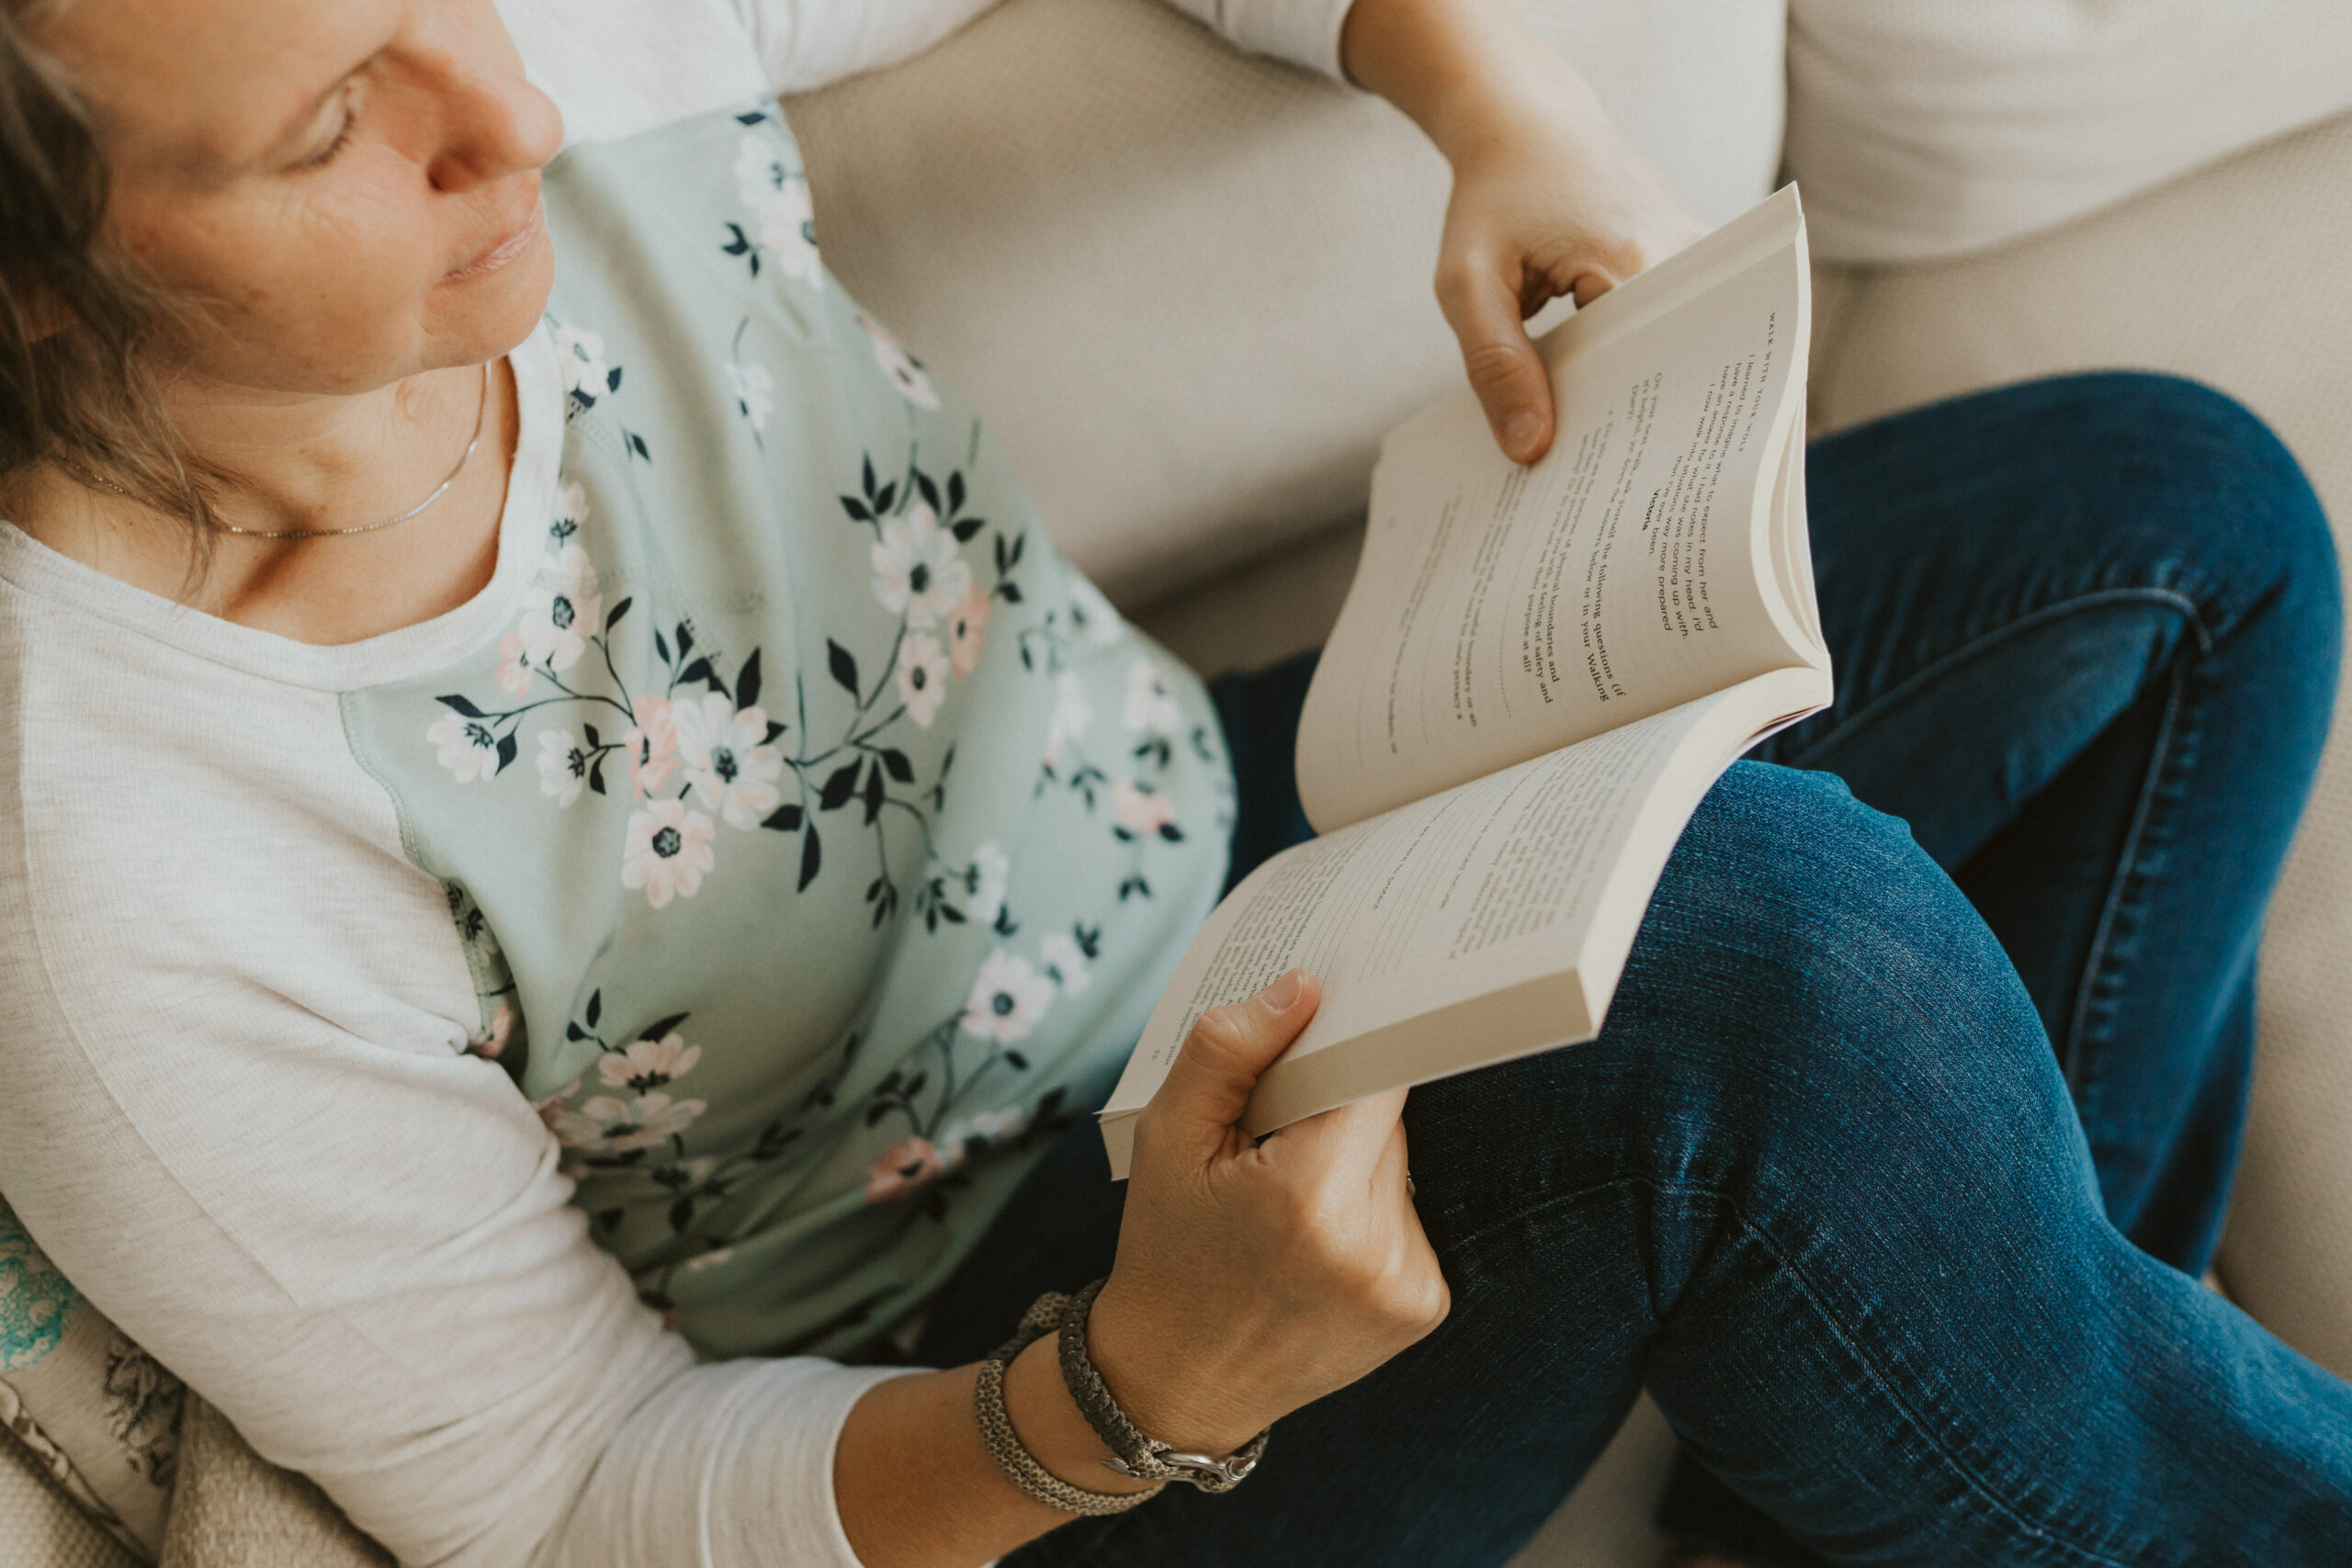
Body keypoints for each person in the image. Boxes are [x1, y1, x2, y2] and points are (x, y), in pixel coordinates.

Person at [0, 1, 2343, 1566]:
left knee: (2181, 524)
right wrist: (1137, 1378)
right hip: (996, 1316)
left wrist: (1480, 90)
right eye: (329, 126)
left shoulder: (510, 45)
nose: (497, 110)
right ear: (34, 285)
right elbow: (566, 1499)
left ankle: (1883, 1456)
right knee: (1765, 959)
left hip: (1208, 847)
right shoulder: (118, 857)